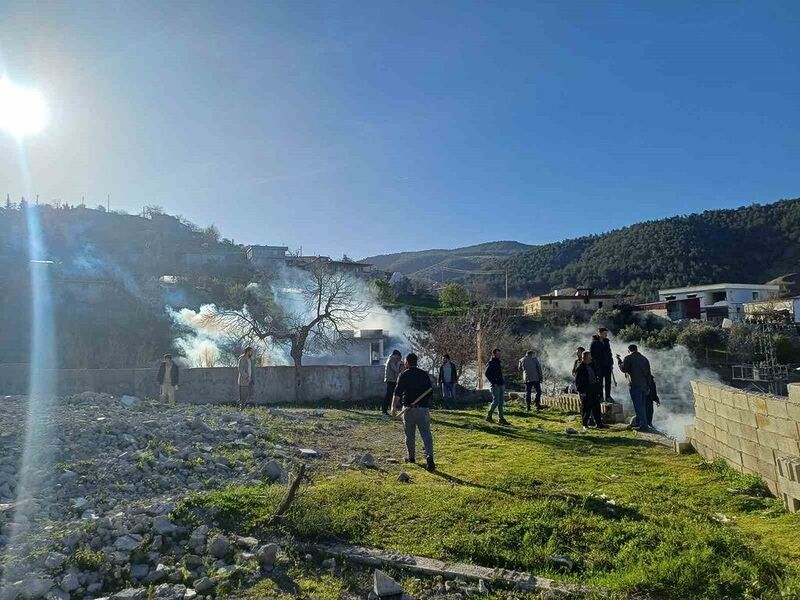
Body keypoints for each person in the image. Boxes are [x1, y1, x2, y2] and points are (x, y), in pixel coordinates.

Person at [392, 352, 435, 472]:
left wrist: (393, 407)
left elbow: (398, 392)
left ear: (407, 363)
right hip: (423, 409)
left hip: (409, 410)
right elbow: (430, 391)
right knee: (426, 434)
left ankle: (411, 458)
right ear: (416, 362)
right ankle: (429, 456)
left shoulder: (404, 375)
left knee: (409, 435)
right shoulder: (424, 374)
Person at [617, 344, 652, 432]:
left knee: (638, 406)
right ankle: (641, 423)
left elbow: (624, 369)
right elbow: (649, 374)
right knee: (642, 405)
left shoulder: (628, 358)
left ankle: (643, 425)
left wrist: (619, 361)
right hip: (644, 386)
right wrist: (648, 387)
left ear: (629, 350)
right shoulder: (644, 359)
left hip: (635, 385)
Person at [574, 351, 604, 429]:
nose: (591, 357)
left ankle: (599, 423)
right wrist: (581, 391)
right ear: (586, 357)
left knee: (596, 407)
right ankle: (585, 424)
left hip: (594, 389)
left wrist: (599, 389)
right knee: (586, 408)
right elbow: (578, 381)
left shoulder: (592, 365)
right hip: (586, 390)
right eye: (590, 356)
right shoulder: (581, 368)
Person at [485, 348, 509, 425]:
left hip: (501, 384)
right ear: (494, 354)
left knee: (501, 402)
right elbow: (487, 373)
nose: (499, 355)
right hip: (495, 385)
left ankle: (501, 419)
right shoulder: (491, 362)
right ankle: (489, 416)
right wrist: (493, 382)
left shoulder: (498, 362)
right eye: (498, 354)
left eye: (499, 354)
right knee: (496, 401)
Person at [590, 328, 614, 402]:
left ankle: (608, 396)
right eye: (604, 333)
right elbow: (592, 355)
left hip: (607, 365)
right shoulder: (594, 343)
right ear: (599, 333)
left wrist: (611, 362)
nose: (606, 335)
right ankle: (600, 396)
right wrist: (595, 364)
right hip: (599, 365)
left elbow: (609, 353)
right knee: (599, 382)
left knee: (608, 381)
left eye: (606, 333)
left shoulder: (606, 342)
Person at [382, 350, 403, 415]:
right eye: (399, 357)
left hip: (392, 380)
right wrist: (399, 363)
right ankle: (384, 411)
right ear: (396, 355)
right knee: (389, 395)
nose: (399, 359)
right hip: (391, 380)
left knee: (391, 395)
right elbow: (395, 369)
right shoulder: (392, 359)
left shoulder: (392, 359)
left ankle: (389, 410)